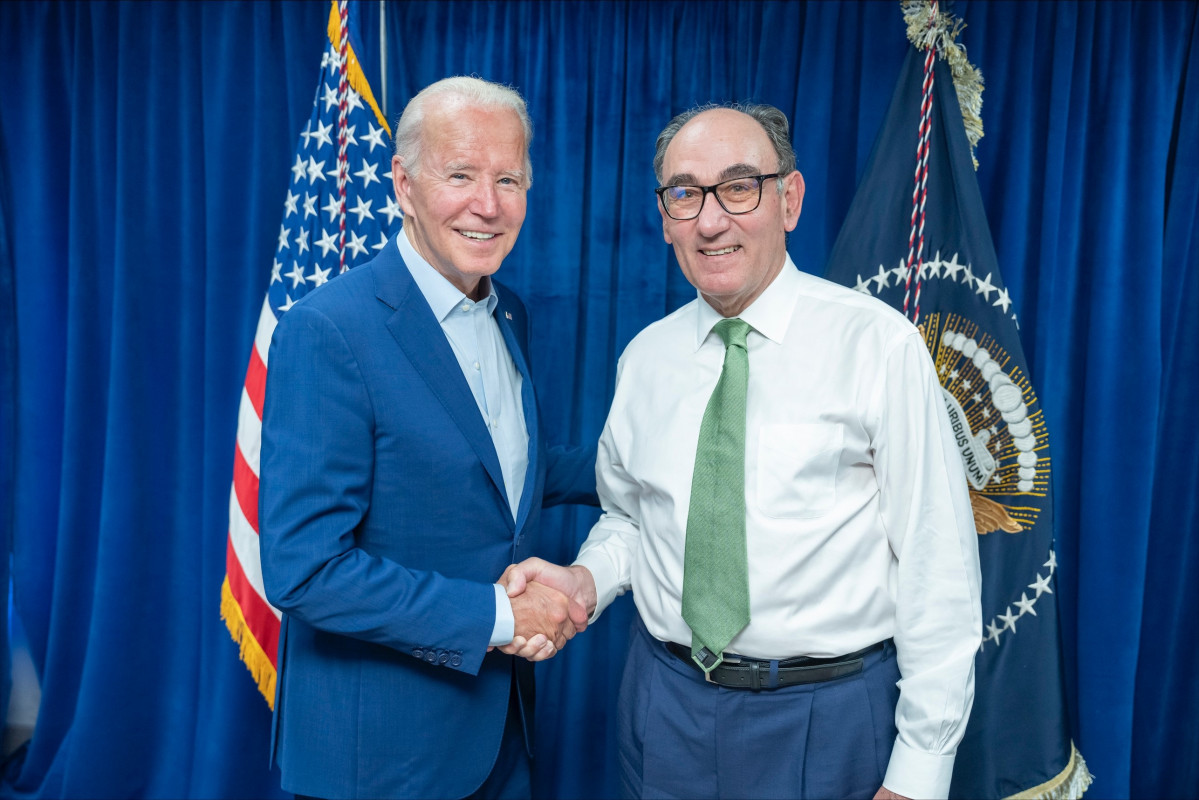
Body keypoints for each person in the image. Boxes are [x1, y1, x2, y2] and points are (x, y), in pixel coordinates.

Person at [503, 103, 982, 800]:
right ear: (664, 216)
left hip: (830, 715)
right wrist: (587, 581)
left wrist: (919, 773)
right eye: (683, 193)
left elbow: (938, 565)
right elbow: (632, 520)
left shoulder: (877, 347)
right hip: (664, 707)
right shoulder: (647, 358)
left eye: (737, 186)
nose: (708, 219)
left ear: (787, 199)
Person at [259, 76, 596, 800]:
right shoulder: (329, 331)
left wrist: (663, 460)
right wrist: (503, 616)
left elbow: (502, 471)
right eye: (461, 175)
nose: (488, 204)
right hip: (382, 759)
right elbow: (304, 568)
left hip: (500, 734)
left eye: (508, 178)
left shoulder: (509, 313)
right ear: (405, 186)